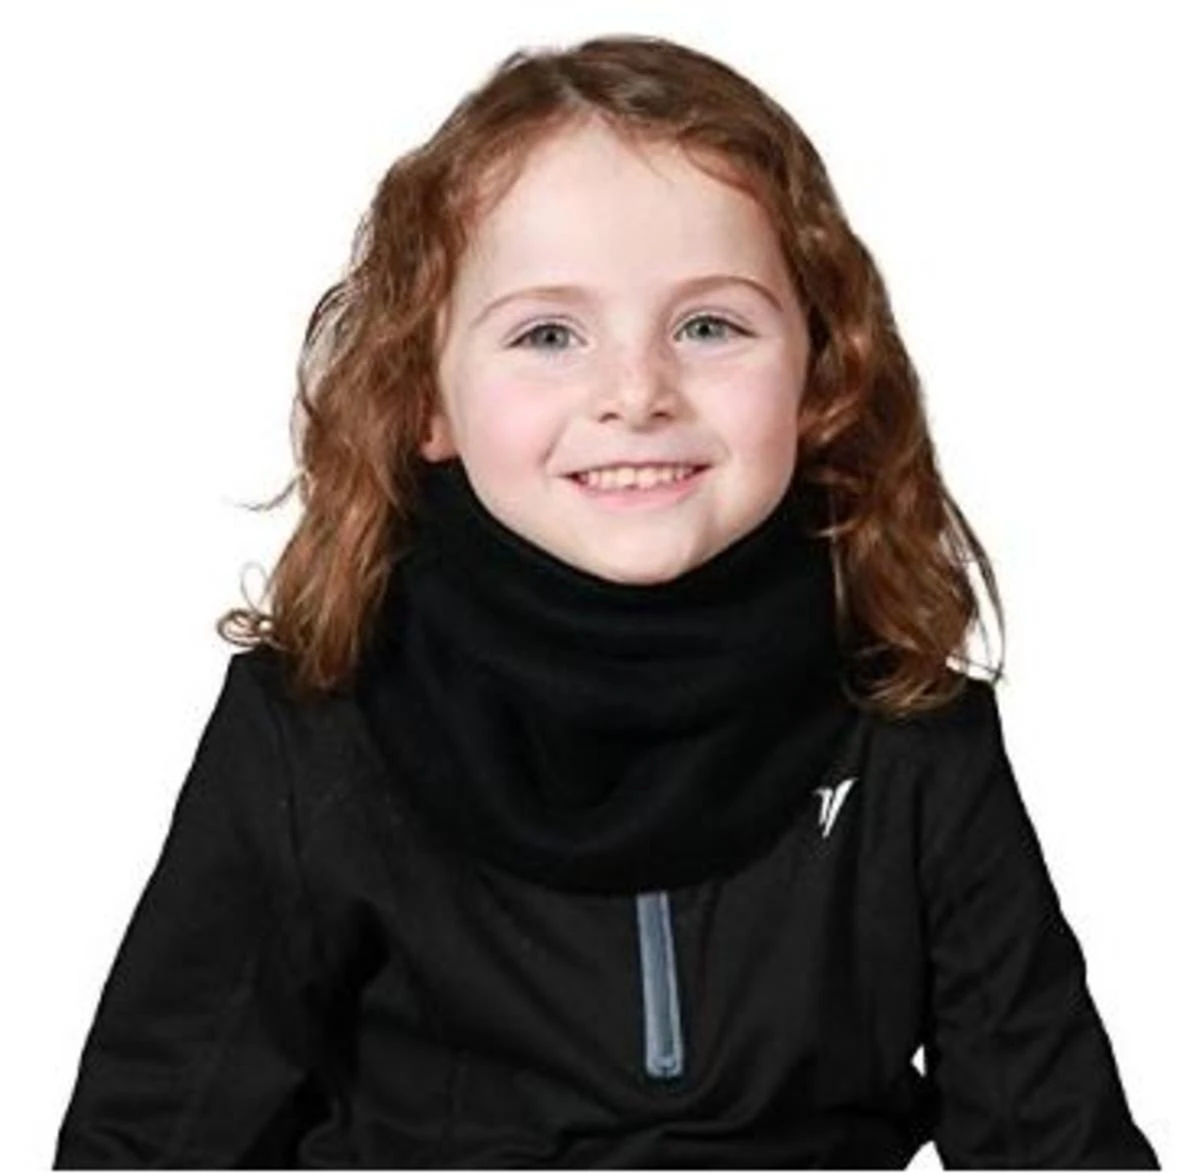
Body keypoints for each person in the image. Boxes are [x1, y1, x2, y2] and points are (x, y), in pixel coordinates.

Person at [52, 33, 1159, 1169]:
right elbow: (148, 1145)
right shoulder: (313, 736)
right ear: (425, 400)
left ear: (823, 376)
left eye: (709, 326)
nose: (636, 392)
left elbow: (1058, 1142)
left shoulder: (910, 733)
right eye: (548, 334)